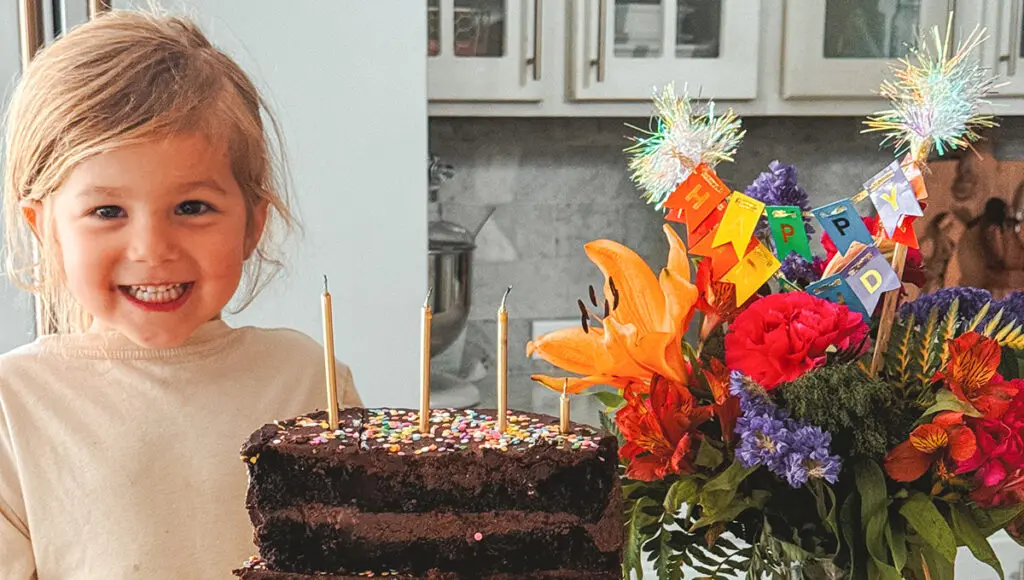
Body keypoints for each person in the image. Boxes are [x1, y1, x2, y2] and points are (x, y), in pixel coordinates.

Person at [0, 10, 361, 579]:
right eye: (107, 211)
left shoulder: (307, 379)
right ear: (44, 228)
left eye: (192, 207)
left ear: (252, 224)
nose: (152, 248)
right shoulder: (13, 405)